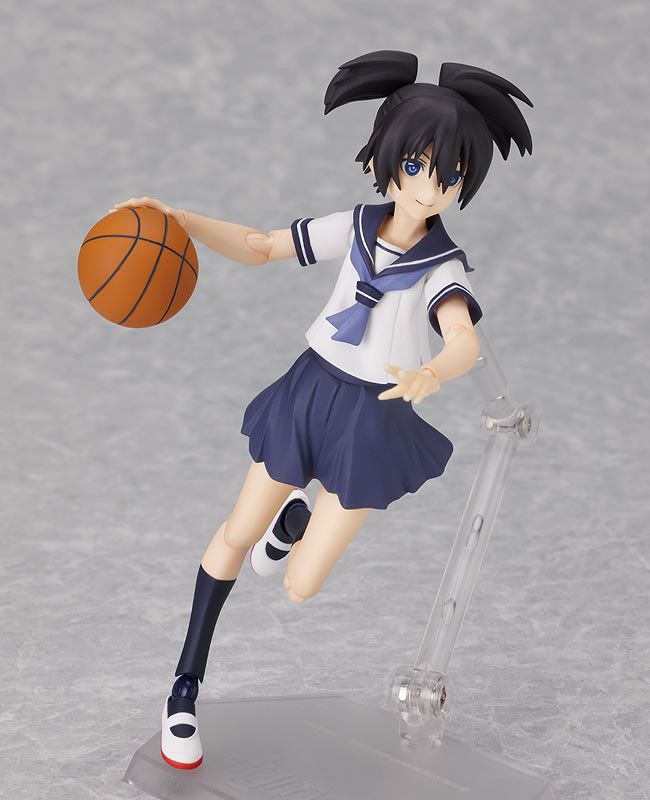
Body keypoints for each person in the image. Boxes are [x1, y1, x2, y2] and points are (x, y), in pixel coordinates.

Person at [113, 49, 533, 769]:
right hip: (312, 390)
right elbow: (261, 246)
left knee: (300, 585)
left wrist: (433, 370)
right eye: (416, 167)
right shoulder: (357, 226)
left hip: (374, 416)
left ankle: (294, 527)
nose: (428, 188)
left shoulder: (441, 266)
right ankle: (183, 689)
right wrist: (182, 220)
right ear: (388, 160)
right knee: (235, 533)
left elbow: (463, 337)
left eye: (449, 175)